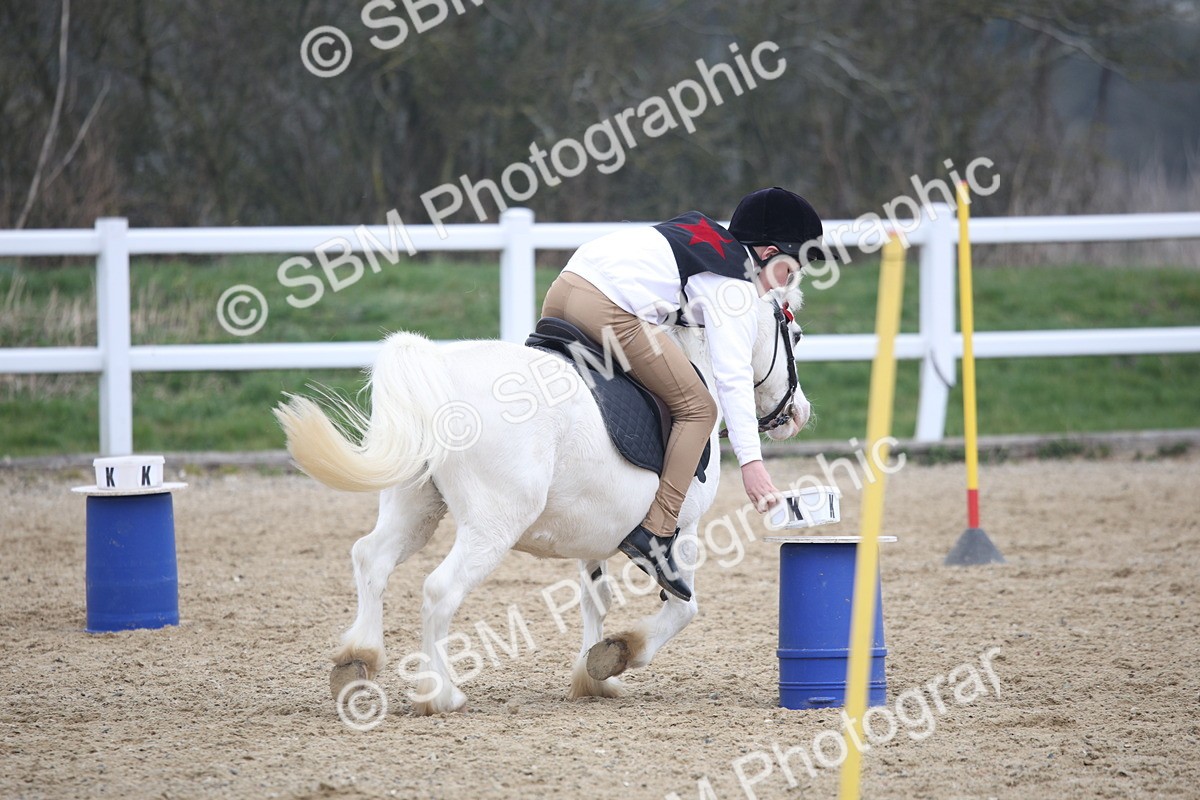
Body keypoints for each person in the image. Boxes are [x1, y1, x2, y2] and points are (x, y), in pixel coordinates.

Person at [540, 187, 835, 601]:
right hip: (606, 307)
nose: (784, 285)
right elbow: (732, 378)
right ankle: (657, 531)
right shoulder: (734, 284)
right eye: (790, 271)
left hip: (562, 291)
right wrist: (751, 463)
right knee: (698, 409)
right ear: (769, 253)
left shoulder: (704, 239)